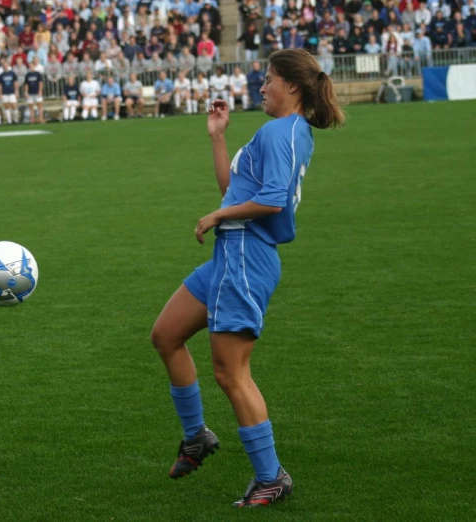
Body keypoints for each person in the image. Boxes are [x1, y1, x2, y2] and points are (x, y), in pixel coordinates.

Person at [150, 49, 345, 508]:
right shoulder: (282, 131)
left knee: (230, 372)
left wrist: (217, 215)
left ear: (292, 87)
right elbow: (235, 191)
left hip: (245, 258)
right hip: (230, 255)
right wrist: (218, 139)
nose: (262, 86)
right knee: (166, 335)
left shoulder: (283, 131)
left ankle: (271, 476)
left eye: (270, 79)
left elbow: (273, 199)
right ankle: (197, 436)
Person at [0, 58, 19, 124]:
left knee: (14, 105)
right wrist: (0, 93)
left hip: (11, 91)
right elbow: (0, 85)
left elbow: (15, 83)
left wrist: (16, 91)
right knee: (6, 106)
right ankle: (9, 121)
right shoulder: (1, 75)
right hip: (4, 92)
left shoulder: (12, 73)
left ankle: (15, 120)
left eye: (6, 65)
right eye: (4, 65)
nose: (5, 66)